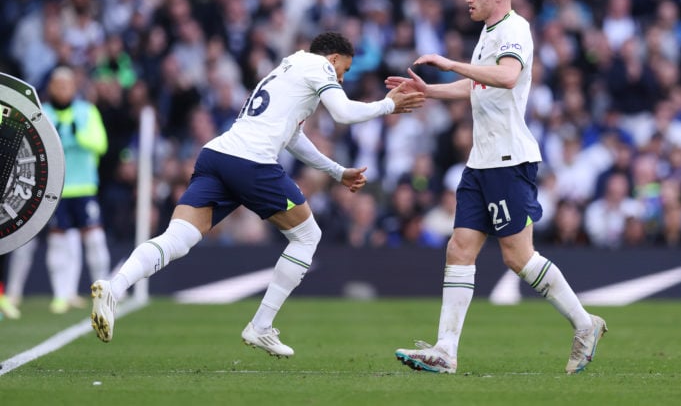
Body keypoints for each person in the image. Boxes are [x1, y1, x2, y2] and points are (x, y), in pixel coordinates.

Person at [90, 32, 424, 356]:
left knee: (179, 236)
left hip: (217, 155)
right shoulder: (319, 67)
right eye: (345, 69)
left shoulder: (287, 67)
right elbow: (344, 113)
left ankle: (114, 288)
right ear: (334, 58)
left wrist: (337, 171)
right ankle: (261, 326)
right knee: (308, 236)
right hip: (252, 163)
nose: (342, 76)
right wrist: (386, 106)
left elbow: (292, 138)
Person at [386, 0, 607, 375]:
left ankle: (584, 323)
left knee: (518, 257)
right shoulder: (489, 34)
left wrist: (450, 63)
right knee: (459, 248)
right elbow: (477, 83)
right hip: (481, 161)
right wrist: (428, 90)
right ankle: (445, 351)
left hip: (508, 160)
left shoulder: (515, 29)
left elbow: (506, 77)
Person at [7, 66, 111, 314]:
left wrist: (79, 135)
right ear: (51, 87)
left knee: (95, 239)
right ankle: (61, 295)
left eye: (67, 85)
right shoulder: (42, 114)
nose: (63, 90)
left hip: (84, 186)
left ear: (74, 87)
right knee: (58, 242)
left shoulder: (87, 111)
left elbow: (101, 144)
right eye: (58, 85)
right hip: (54, 189)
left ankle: (106, 291)